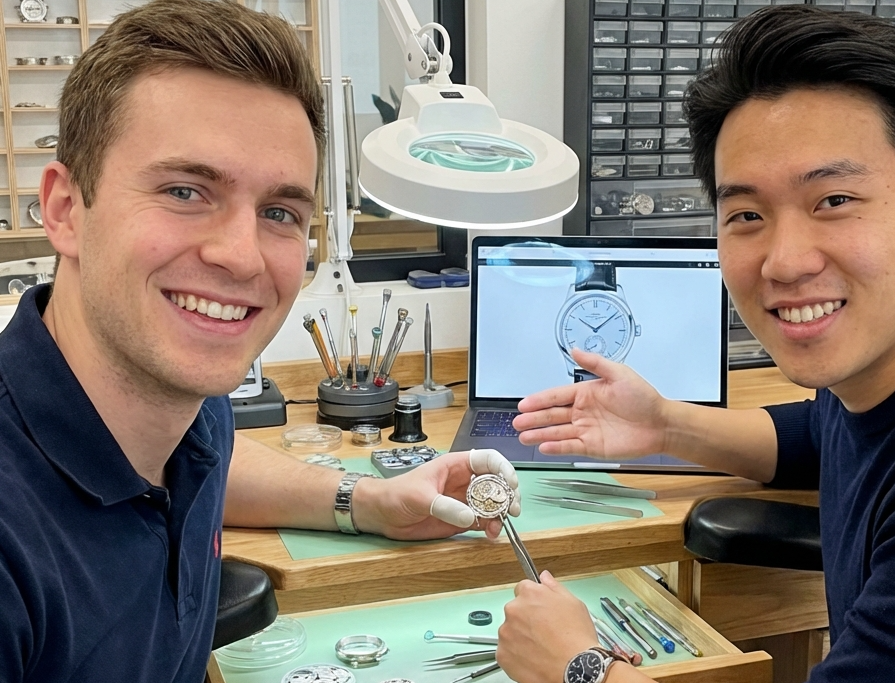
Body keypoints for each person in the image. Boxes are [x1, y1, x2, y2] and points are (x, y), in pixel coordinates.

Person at [499, 6, 895, 683]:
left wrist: (580, 666)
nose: (783, 260)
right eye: (747, 215)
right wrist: (662, 423)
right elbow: (816, 436)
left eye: (833, 200)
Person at [0, 1, 519, 681]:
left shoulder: (187, 407)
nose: (243, 257)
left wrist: (367, 501)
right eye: (186, 191)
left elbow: (212, 460)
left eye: (279, 212)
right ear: (67, 210)